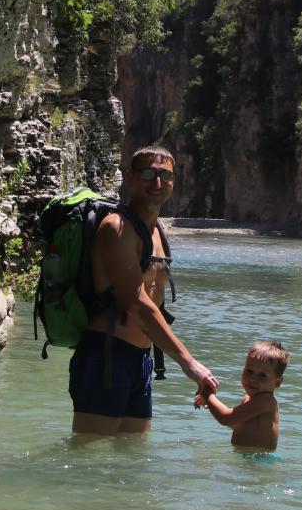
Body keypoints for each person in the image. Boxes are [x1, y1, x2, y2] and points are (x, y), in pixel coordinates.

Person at [69, 145, 218, 436]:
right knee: (85, 460)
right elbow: (137, 304)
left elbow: (156, 301)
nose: (157, 183)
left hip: (141, 360)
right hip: (106, 357)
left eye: (165, 175)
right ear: (130, 177)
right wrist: (189, 363)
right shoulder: (116, 229)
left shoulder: (160, 230)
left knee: (132, 459)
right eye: (148, 173)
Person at [194, 339, 289, 452]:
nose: (253, 379)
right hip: (248, 457)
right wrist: (210, 404)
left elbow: (225, 418)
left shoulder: (266, 401)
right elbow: (237, 423)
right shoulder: (249, 398)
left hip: (259, 461)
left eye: (262, 375)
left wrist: (207, 393)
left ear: (277, 382)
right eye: (249, 371)